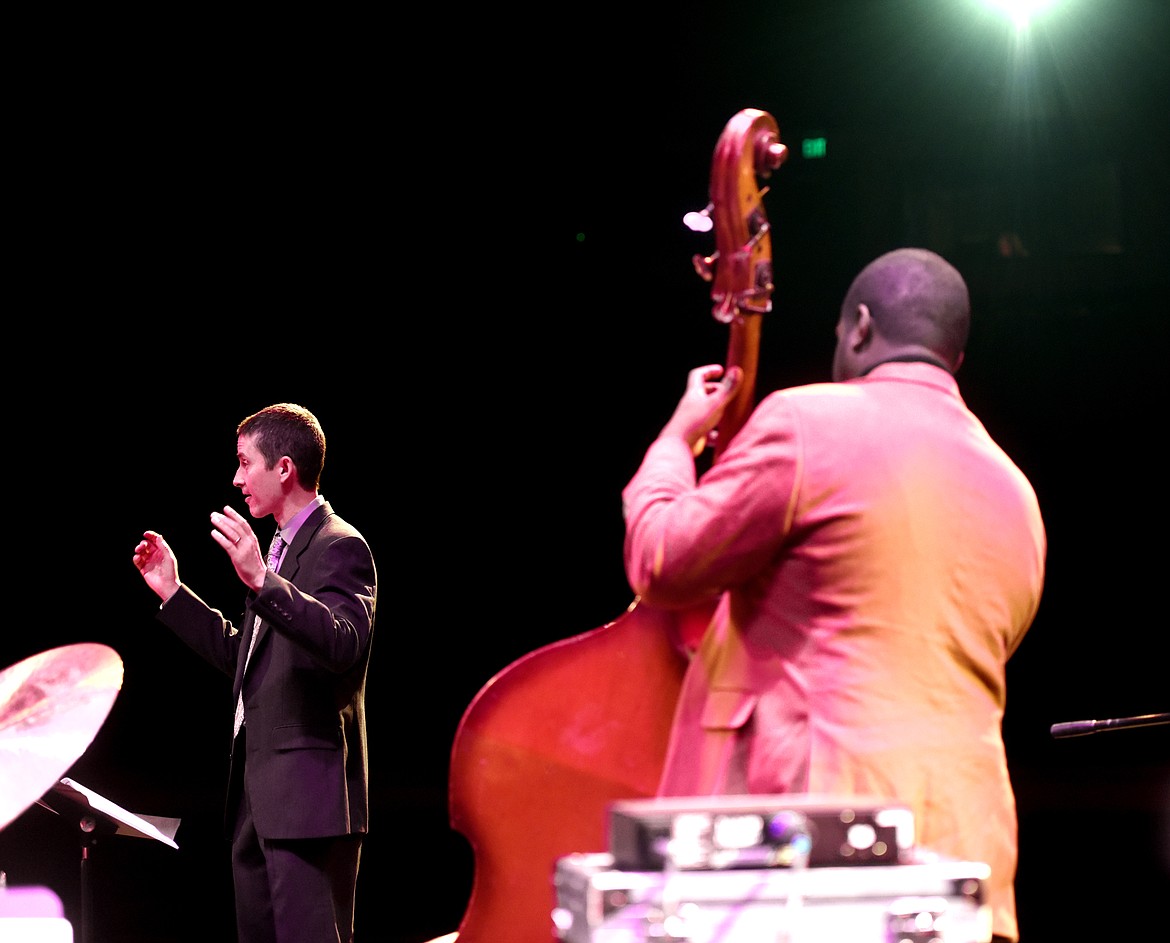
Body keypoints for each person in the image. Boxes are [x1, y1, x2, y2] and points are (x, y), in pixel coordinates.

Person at [621, 247, 1046, 943]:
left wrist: (676, 442)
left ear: (858, 328)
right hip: (971, 867)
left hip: (826, 861)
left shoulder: (805, 423)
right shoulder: (1017, 495)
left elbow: (662, 559)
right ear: (955, 362)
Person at [132, 402, 377, 943]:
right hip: (256, 808)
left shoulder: (340, 546)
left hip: (307, 811)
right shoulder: (280, 552)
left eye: (245, 463)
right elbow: (244, 657)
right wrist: (173, 593)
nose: (237, 478)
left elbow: (344, 642)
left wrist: (263, 582)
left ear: (283, 468)